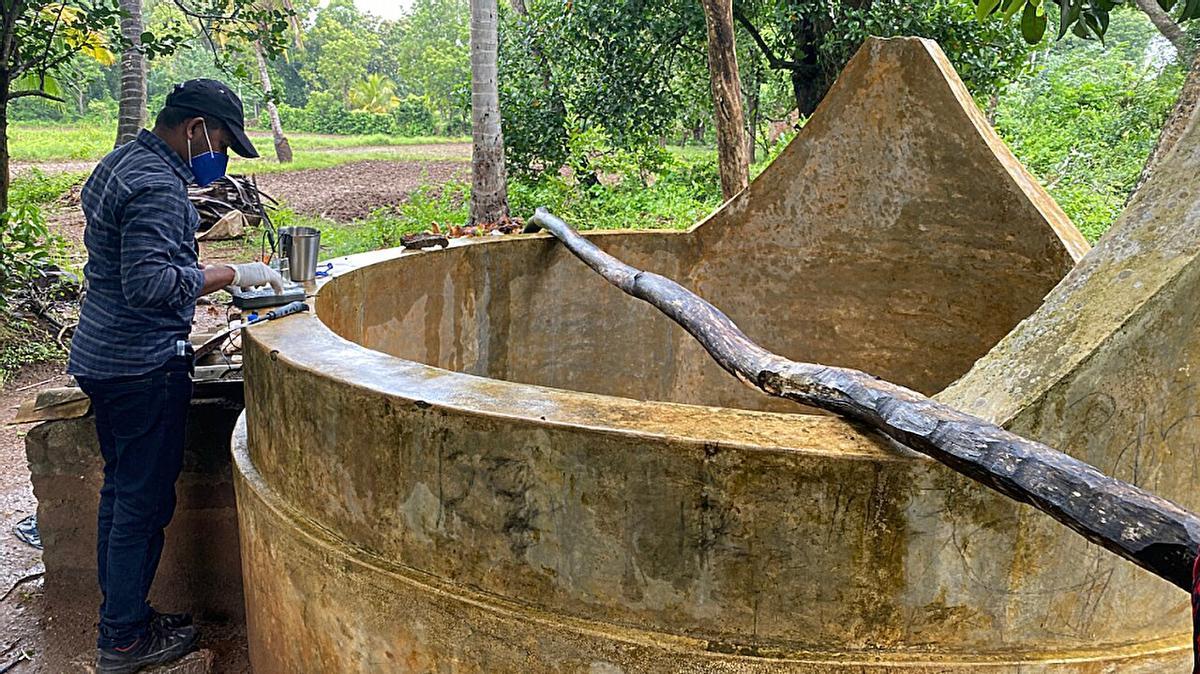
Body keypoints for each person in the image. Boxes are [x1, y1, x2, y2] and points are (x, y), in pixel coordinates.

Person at [67, 79, 284, 673]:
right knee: (140, 503)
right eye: (220, 140)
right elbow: (151, 286)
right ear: (193, 129)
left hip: (101, 355)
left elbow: (118, 265)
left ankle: (126, 617)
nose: (222, 155)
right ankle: (124, 641)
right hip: (140, 366)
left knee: (122, 496)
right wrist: (229, 272)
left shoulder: (121, 162)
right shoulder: (160, 187)